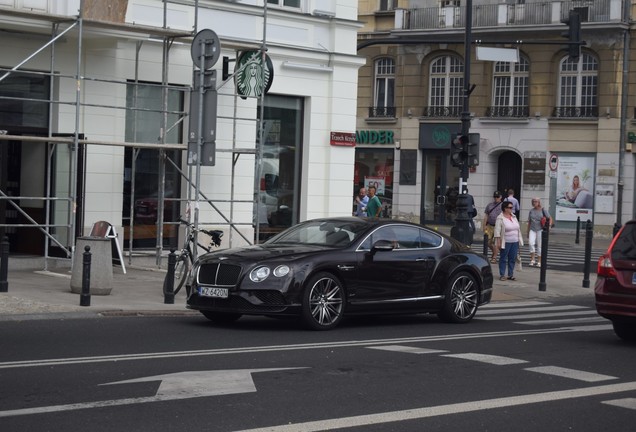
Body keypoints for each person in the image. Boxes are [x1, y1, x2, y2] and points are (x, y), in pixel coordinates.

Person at [494, 201, 524, 281]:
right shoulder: (500, 218)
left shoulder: (514, 217)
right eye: (510, 207)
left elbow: (518, 228)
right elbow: (497, 231)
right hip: (505, 241)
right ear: (505, 208)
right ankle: (502, 274)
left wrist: (519, 240)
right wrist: (498, 242)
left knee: (512, 258)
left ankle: (510, 274)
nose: (512, 209)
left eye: (512, 207)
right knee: (503, 258)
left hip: (515, 241)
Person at [527, 198, 550, 267]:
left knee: (539, 246)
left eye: (536, 201)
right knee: (531, 243)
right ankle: (532, 259)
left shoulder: (543, 210)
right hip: (532, 229)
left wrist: (549, 226)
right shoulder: (531, 211)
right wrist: (528, 231)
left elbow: (549, 218)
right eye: (533, 201)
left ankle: (539, 261)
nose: (534, 203)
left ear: (539, 202)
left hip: (540, 229)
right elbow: (529, 221)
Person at [483, 191, 503, 263]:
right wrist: (484, 225)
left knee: (496, 243)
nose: (496, 198)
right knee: (487, 242)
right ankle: (495, 252)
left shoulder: (503, 205)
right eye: (495, 197)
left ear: (500, 197)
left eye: (497, 197)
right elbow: (486, 216)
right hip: (490, 225)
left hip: (498, 226)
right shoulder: (490, 205)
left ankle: (494, 257)